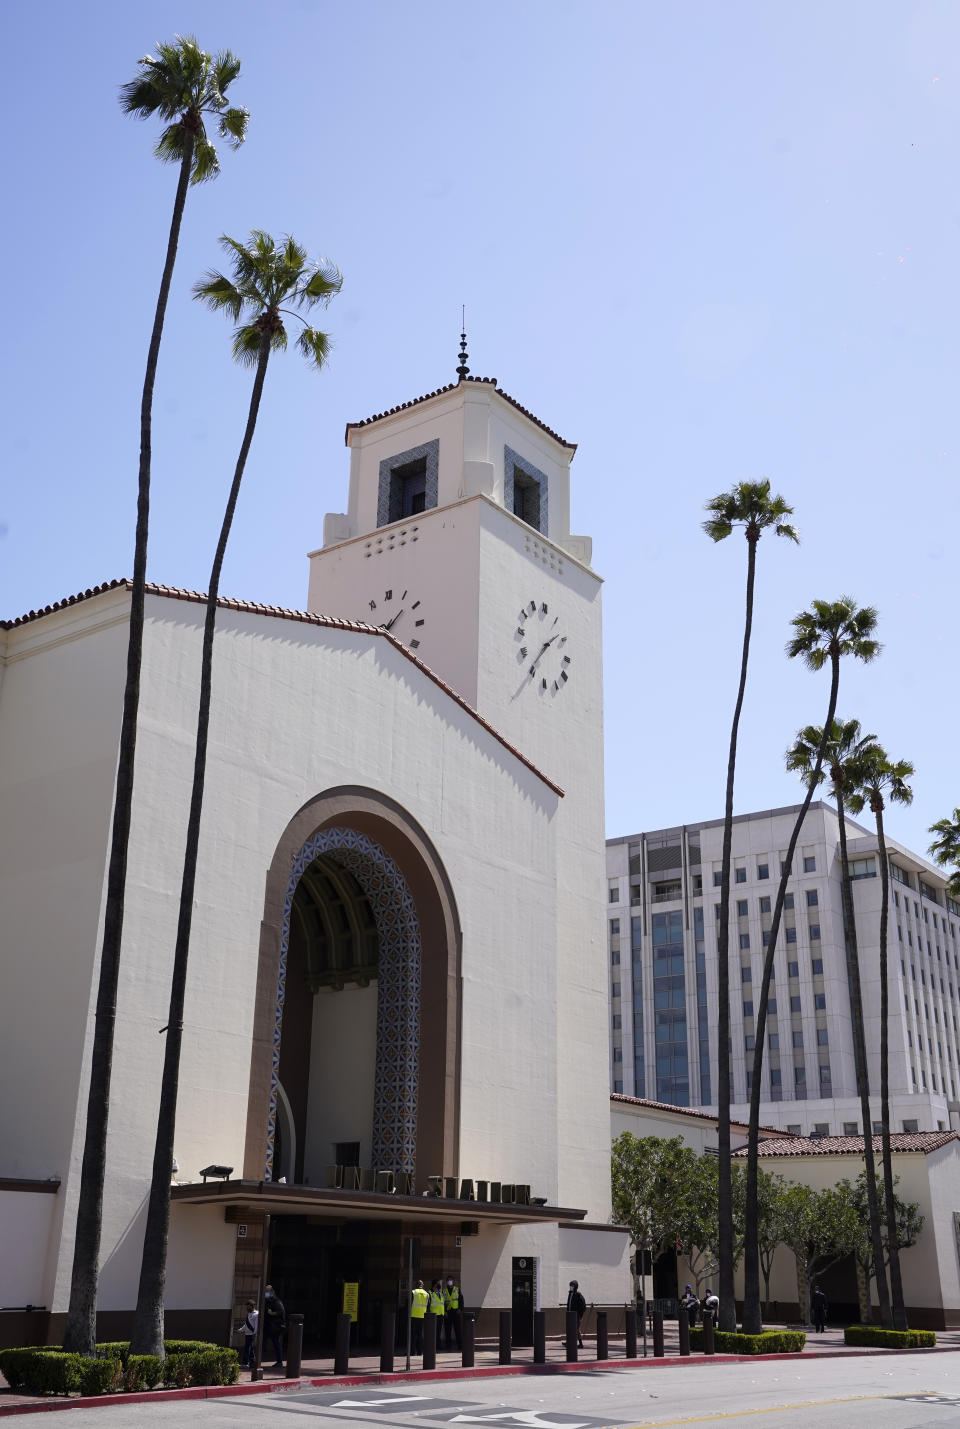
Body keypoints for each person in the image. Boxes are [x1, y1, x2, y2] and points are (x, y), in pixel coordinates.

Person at [264, 1284, 285, 1368]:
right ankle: (254, 1360)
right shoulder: (267, 1301)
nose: (266, 1293)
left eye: (267, 1291)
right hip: (268, 1325)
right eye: (265, 1291)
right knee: (262, 1342)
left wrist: (272, 1313)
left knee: (276, 1343)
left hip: (275, 1326)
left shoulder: (276, 1301)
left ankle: (279, 1361)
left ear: (272, 1292)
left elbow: (280, 1311)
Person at [443, 1276, 462, 1351]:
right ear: (446, 1282)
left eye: (451, 1280)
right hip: (448, 1312)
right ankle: (448, 1346)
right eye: (448, 1280)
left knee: (458, 1330)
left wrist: (460, 1309)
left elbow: (461, 1299)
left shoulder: (457, 1289)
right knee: (447, 1330)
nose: (449, 1281)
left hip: (456, 1312)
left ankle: (460, 1345)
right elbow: (442, 1302)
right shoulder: (444, 1291)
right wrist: (444, 1311)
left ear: (453, 1281)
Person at [566, 1279, 586, 1348]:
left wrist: (580, 1315)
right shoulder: (570, 1294)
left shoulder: (578, 1294)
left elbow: (583, 1305)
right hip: (570, 1315)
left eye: (573, 1285)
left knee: (576, 1329)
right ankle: (569, 1342)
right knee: (570, 1328)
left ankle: (580, 1344)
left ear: (576, 1286)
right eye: (570, 1285)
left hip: (576, 1315)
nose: (571, 1287)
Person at [410, 1279, 429, 1353]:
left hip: (413, 1315)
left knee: (413, 1334)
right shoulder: (426, 1294)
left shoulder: (413, 1292)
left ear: (416, 1285)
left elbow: (409, 1304)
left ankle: (412, 1351)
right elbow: (428, 1306)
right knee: (420, 1334)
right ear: (423, 1285)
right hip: (422, 1316)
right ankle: (420, 1351)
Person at [241, 1299, 259, 1369]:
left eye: (248, 1306)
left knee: (247, 1348)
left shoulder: (256, 1314)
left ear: (252, 1306)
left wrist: (254, 1333)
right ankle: (253, 1362)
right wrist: (241, 1329)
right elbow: (246, 1324)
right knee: (250, 1348)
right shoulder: (249, 1313)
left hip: (252, 1334)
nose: (247, 1308)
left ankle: (245, 1362)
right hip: (247, 1333)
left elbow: (256, 1325)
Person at [429, 1279, 446, 1345]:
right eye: (438, 1283)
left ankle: (438, 1344)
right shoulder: (430, 1293)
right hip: (433, 1315)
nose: (439, 1285)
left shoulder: (440, 1293)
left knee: (439, 1331)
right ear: (435, 1284)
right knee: (433, 1331)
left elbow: (442, 1303)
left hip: (441, 1314)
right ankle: (432, 1344)